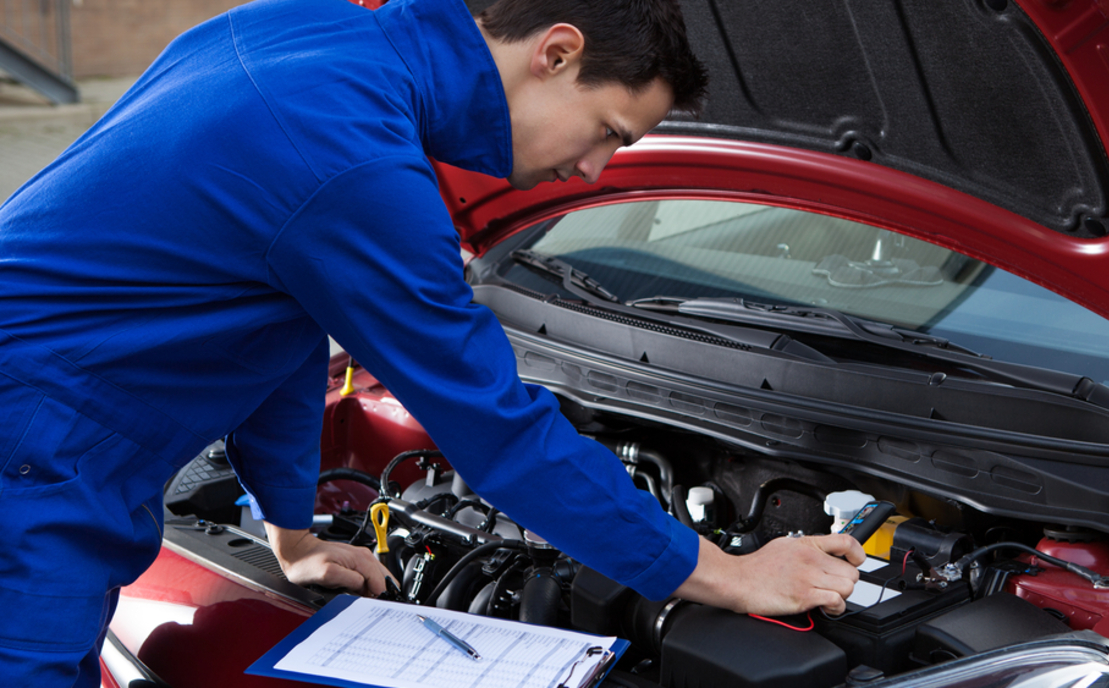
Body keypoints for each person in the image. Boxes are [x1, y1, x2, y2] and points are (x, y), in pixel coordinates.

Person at [0, 0, 864, 683]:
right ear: (555, 54)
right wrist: (719, 573)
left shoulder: (294, 29)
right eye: (608, 132)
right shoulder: (357, 160)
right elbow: (499, 433)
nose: (596, 173)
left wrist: (291, 532)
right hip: (31, 464)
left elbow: (282, 324)